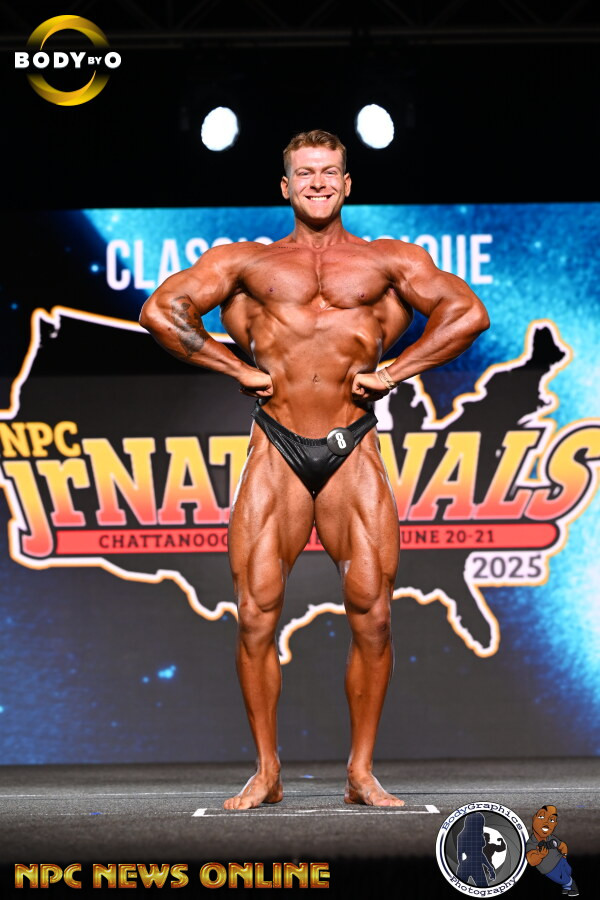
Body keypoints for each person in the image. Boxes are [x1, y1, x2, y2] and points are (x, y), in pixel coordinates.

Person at [139, 129, 489, 810]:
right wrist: (233, 367)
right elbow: (161, 310)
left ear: (348, 184)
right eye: (305, 173)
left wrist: (396, 371)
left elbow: (468, 314)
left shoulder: (388, 260)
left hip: (352, 444)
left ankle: (361, 773)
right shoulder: (247, 261)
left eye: (330, 172)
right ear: (286, 186)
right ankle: (267, 771)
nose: (319, 183)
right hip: (277, 445)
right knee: (255, 614)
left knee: (374, 616)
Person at [526, 806, 579, 896]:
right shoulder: (532, 843)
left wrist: (564, 855)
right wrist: (540, 855)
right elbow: (531, 861)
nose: (546, 822)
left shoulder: (550, 838)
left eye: (551, 820)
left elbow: (562, 845)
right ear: (534, 818)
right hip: (548, 869)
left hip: (560, 860)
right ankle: (571, 884)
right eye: (542, 816)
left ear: (555, 824)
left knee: (567, 871)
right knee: (561, 879)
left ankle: (567, 886)